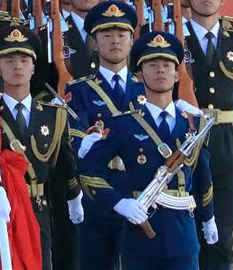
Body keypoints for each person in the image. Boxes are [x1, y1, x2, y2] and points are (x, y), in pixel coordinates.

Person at [80, 31, 218, 269]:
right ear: (139, 75)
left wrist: (208, 217)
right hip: (140, 239)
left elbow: (202, 173)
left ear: (177, 75)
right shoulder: (124, 124)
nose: (160, 70)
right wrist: (119, 203)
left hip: (183, 237)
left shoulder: (192, 123)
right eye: (152, 65)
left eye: (167, 65)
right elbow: (89, 170)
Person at [0, 25, 83, 270]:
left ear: (33, 66)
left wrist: (74, 195)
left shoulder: (53, 115)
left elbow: (64, 161)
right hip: (1, 209)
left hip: (38, 208)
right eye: (9, 60)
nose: (17, 66)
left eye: (24, 59)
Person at [178, 0, 233, 268]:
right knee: (188, 240)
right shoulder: (172, 41)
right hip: (183, 148)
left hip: (225, 151)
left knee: (221, 240)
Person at [66, 0, 141, 270]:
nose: (115, 41)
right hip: (97, 189)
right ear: (94, 43)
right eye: (106, 35)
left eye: (122, 34)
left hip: (137, 187)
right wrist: (83, 142)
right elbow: (73, 131)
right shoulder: (80, 89)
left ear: (132, 40)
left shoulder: (146, 90)